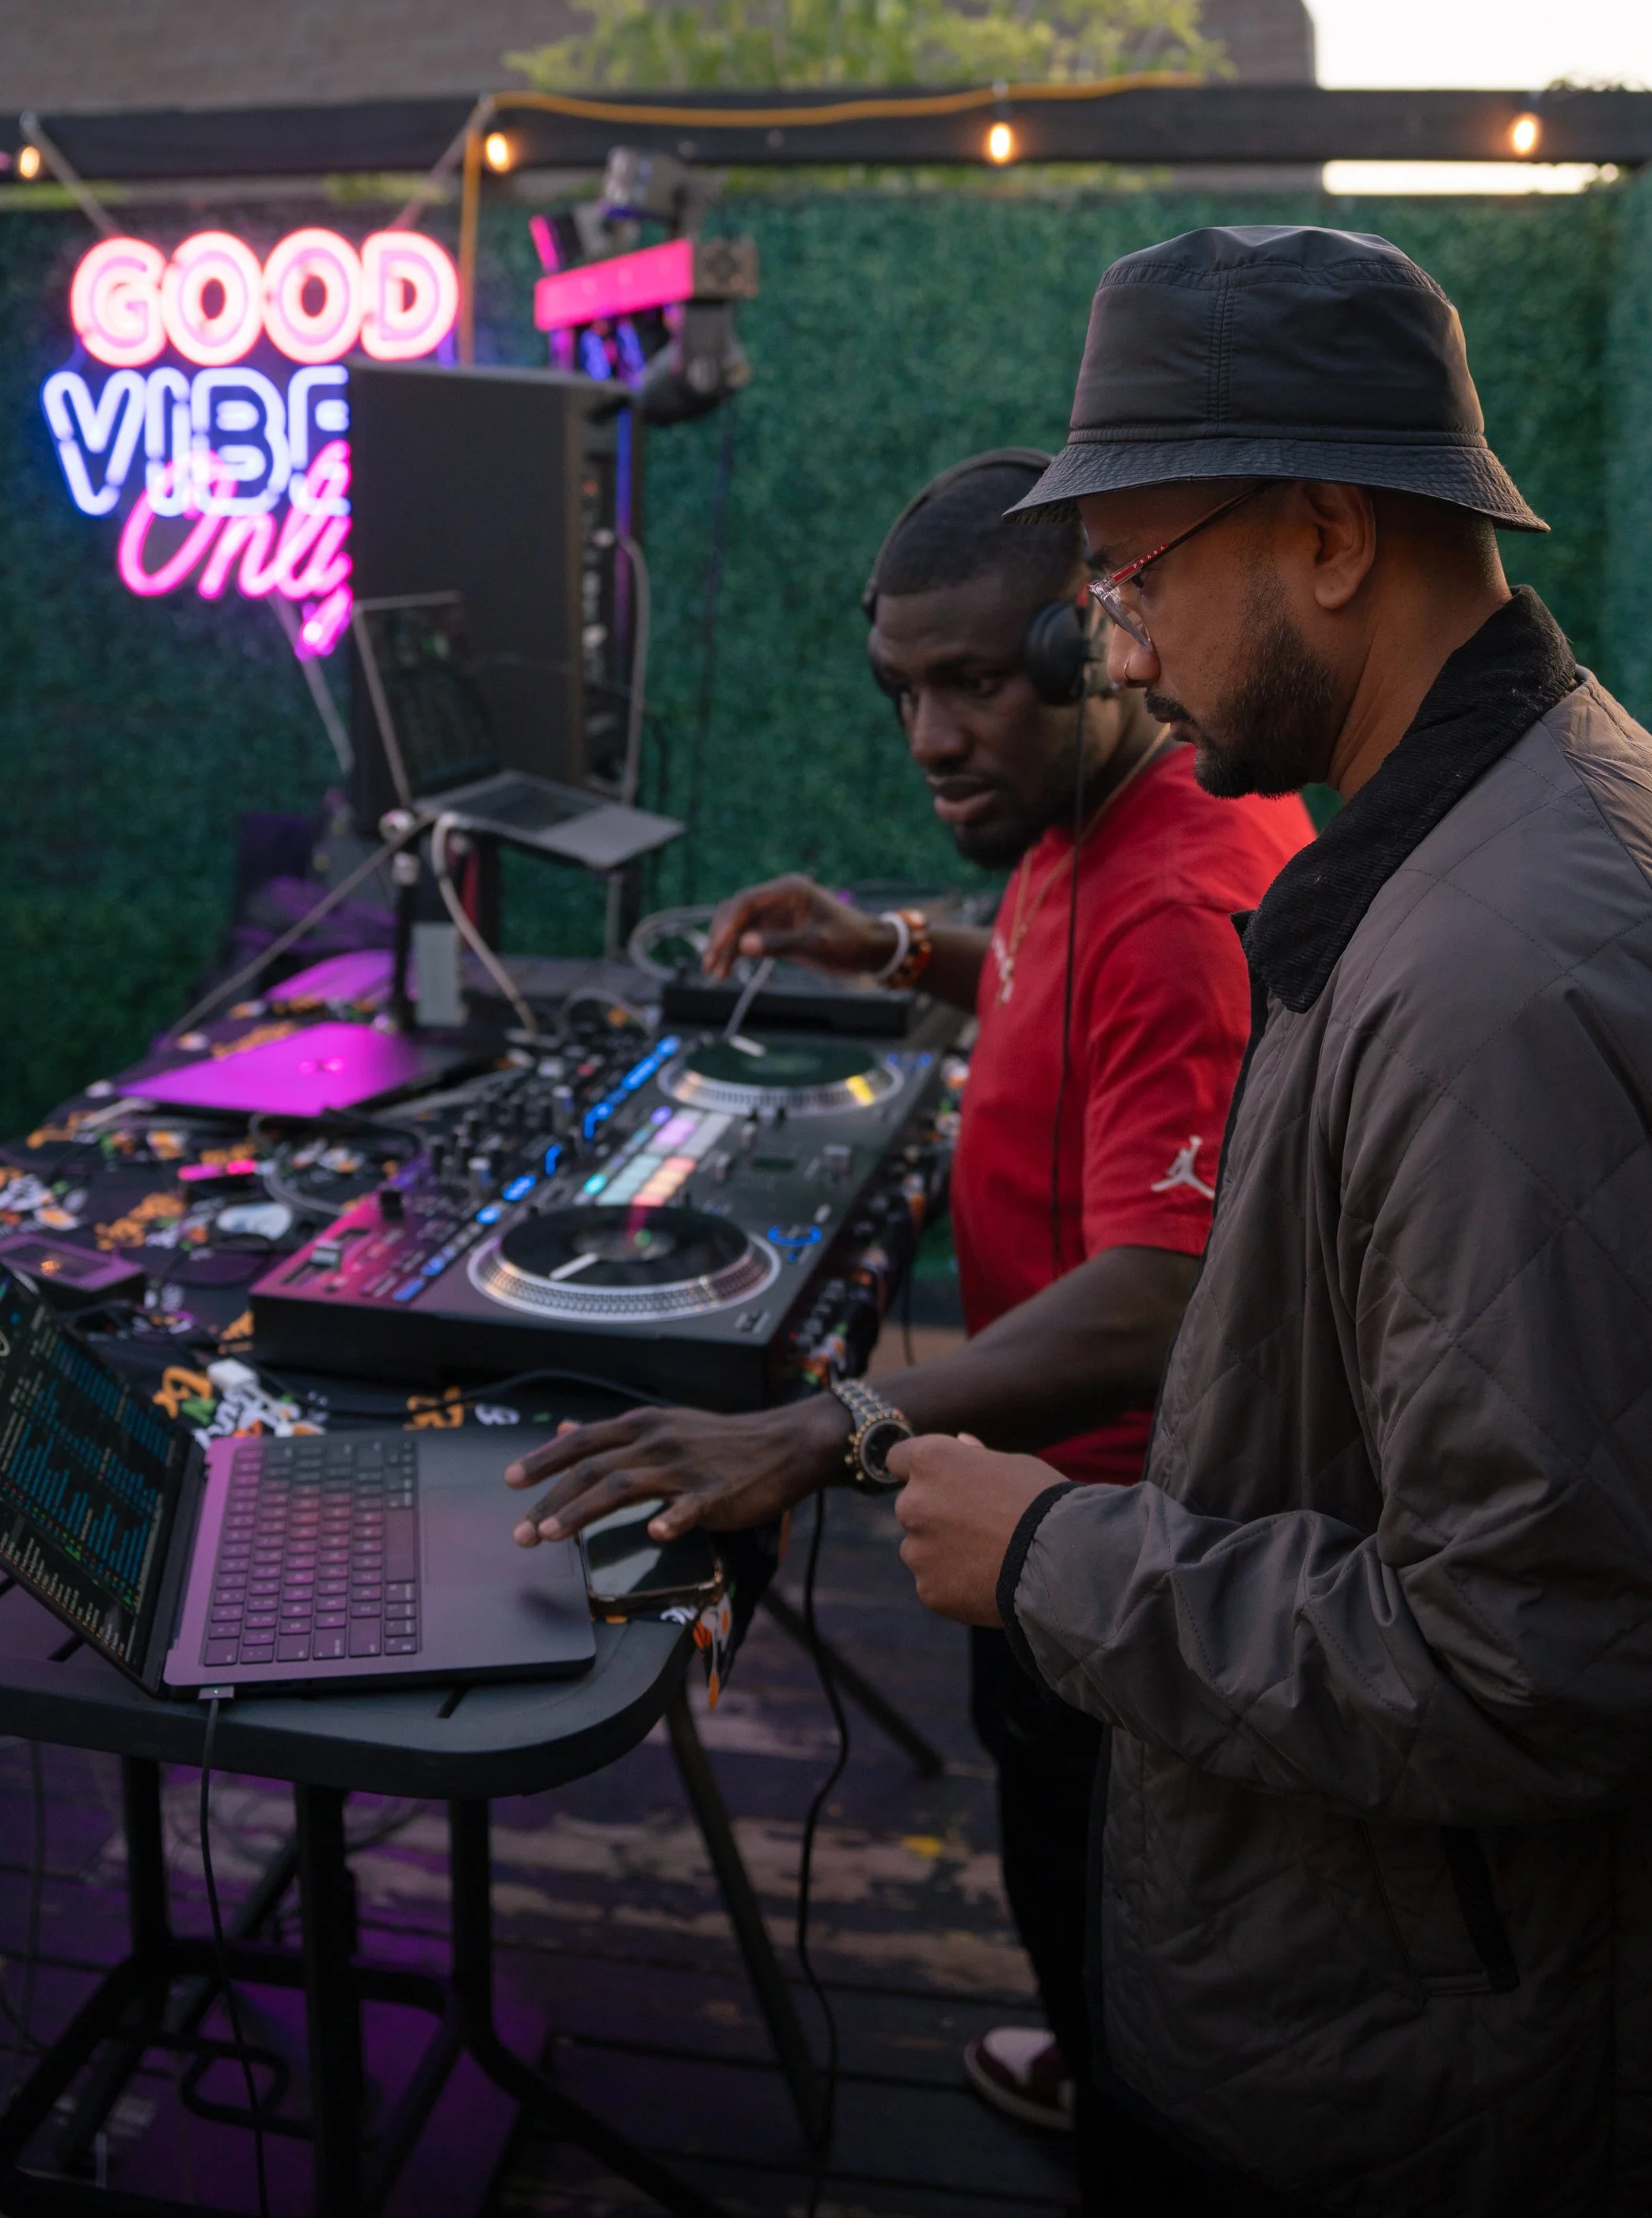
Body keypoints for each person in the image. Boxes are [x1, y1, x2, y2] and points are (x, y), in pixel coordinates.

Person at [889, 222, 1652, 2218]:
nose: (1117, 649)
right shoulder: (1514, 819)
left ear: (1327, 532)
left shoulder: (1503, 975)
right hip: (1435, 2007)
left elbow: (1531, 1665)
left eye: (1135, 577)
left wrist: (1050, 1552)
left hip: (1437, 2084)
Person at [507, 450, 1310, 2149]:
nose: (931, 738)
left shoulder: (1174, 893)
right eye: (904, 691)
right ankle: (1104, 2061)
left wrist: (821, 1428)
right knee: (1072, 1874)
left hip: (1110, 1541)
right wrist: (885, 949)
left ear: (1089, 643)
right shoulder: (1086, 819)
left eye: (968, 685)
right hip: (1067, 1504)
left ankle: (1126, 2108)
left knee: (1101, 1888)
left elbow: (1168, 1291)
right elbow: (1035, 981)